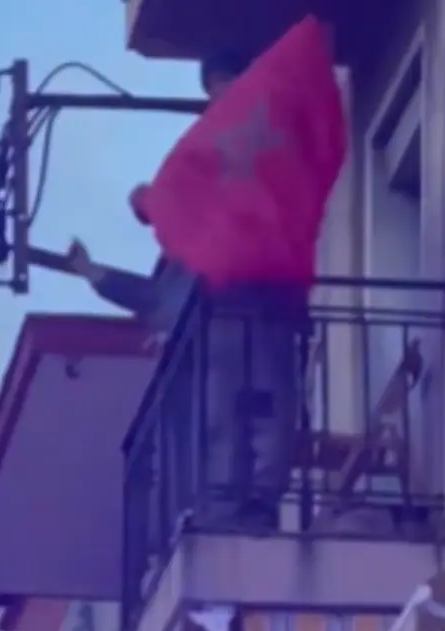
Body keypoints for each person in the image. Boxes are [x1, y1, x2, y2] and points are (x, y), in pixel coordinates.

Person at [68, 49, 305, 531]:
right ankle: (228, 514)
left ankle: (257, 508)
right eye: (217, 89)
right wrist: (95, 273)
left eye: (228, 86)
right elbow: (160, 295)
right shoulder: (213, 160)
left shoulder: (258, 145)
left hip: (265, 313)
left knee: (269, 419)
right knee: (224, 423)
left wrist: (151, 202)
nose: (221, 99)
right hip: (219, 322)